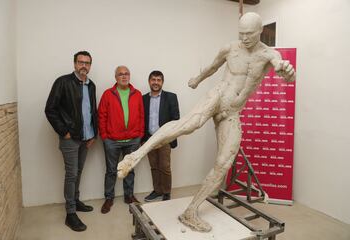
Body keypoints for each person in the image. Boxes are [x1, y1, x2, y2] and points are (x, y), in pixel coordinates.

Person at [117, 12, 295, 232]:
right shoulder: (230, 48)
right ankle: (135, 155)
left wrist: (287, 73)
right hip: (219, 96)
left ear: (260, 31)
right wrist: (197, 79)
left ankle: (190, 211)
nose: (245, 38)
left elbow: (283, 69)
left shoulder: (269, 55)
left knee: (223, 163)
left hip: (232, 114)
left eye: (249, 33)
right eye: (241, 33)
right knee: (188, 125)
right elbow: (213, 67)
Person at [45, 51, 97, 232]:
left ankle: (75, 200)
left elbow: (91, 111)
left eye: (87, 63)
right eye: (81, 62)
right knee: (71, 174)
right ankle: (70, 213)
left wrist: (93, 134)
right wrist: (64, 131)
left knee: (79, 171)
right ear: (75, 64)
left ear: (90, 66)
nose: (84, 66)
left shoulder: (91, 85)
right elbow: (50, 109)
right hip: (70, 138)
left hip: (86, 138)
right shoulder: (63, 82)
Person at [98, 66, 144, 214]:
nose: (124, 76)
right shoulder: (107, 94)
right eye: (120, 74)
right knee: (111, 171)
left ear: (129, 76)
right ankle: (109, 198)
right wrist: (105, 136)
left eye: (126, 74)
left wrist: (140, 134)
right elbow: (102, 116)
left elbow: (142, 115)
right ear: (116, 77)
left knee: (129, 170)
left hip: (132, 139)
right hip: (112, 140)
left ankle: (129, 196)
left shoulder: (137, 94)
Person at [143, 71, 180, 202]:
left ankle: (166, 192)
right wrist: (143, 140)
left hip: (165, 139)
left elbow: (176, 119)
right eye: (153, 79)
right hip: (149, 139)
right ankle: (157, 190)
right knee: (154, 166)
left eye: (159, 80)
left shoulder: (171, 97)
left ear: (162, 82)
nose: (156, 82)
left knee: (164, 166)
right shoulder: (143, 99)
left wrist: (170, 137)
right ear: (149, 81)